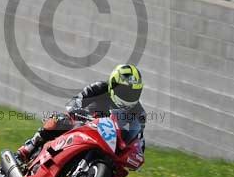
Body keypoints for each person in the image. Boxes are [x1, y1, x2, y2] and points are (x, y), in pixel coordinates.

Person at [16, 64, 146, 161]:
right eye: (125, 91)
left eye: (134, 92)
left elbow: (138, 139)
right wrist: (79, 113)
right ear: (113, 85)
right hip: (84, 125)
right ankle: (30, 147)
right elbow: (75, 102)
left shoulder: (139, 112)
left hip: (108, 143)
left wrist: (137, 151)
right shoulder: (99, 88)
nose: (129, 96)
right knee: (59, 119)